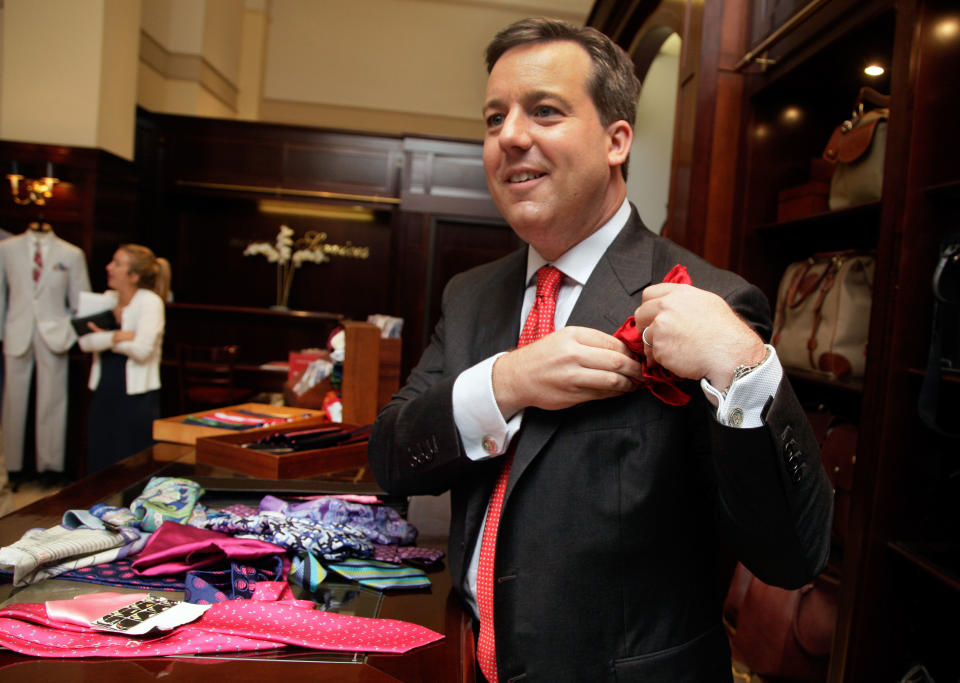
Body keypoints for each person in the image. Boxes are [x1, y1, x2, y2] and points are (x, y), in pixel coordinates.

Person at [368, 18, 833, 683]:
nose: (510, 136)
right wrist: (505, 382)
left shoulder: (716, 301)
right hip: (467, 661)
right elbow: (391, 459)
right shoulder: (470, 294)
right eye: (494, 117)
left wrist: (744, 366)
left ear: (618, 140)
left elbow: (791, 555)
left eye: (545, 111)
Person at [0, 220, 90, 482]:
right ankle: (12, 467)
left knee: (53, 399)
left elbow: (80, 300)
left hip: (55, 332)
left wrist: (71, 333)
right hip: (17, 328)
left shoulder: (71, 253)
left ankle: (51, 466)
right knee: (12, 401)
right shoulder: (7, 248)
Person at [78, 244, 170, 474]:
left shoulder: (150, 302)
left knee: (130, 463)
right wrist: (118, 336)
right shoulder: (105, 299)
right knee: (100, 458)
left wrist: (106, 339)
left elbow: (142, 350)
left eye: (117, 263)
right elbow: (85, 343)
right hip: (105, 389)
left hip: (136, 397)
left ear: (134, 276)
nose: (109, 267)